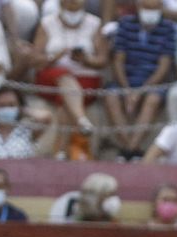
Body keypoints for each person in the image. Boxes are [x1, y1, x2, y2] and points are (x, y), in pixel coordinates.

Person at [31, 0, 107, 158]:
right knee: (63, 75)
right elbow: (35, 60)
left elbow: (102, 60)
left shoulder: (95, 23)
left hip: (85, 78)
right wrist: (54, 56)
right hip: (51, 77)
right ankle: (80, 119)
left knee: (64, 98)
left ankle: (61, 150)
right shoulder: (47, 23)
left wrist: (85, 59)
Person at [104, 0, 177, 158]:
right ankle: (129, 147)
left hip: (153, 82)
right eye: (146, 7)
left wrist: (140, 91)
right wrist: (128, 90)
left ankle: (129, 149)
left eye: (154, 8)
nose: (150, 11)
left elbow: (163, 67)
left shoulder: (169, 28)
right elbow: (118, 61)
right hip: (126, 80)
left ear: (161, 8)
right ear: (138, 6)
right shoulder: (125, 24)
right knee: (111, 95)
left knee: (153, 98)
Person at [0, 84, 58, 156]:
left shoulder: (27, 131)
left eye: (11, 105)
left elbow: (46, 118)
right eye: (2, 105)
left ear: (19, 106)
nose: (7, 109)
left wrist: (23, 110)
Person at [48, 171, 122, 222]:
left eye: (113, 194)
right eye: (109, 195)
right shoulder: (68, 204)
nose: (113, 200)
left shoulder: (112, 223)